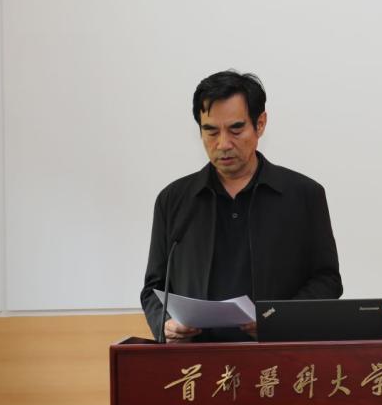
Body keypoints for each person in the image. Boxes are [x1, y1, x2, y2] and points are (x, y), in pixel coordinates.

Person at [140, 70, 342, 342]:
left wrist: (279, 320)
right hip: (196, 358)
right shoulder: (173, 200)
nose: (223, 144)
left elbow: (327, 280)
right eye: (211, 131)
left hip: (275, 355)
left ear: (260, 124)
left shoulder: (304, 195)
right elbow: (153, 288)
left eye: (236, 129)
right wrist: (165, 324)